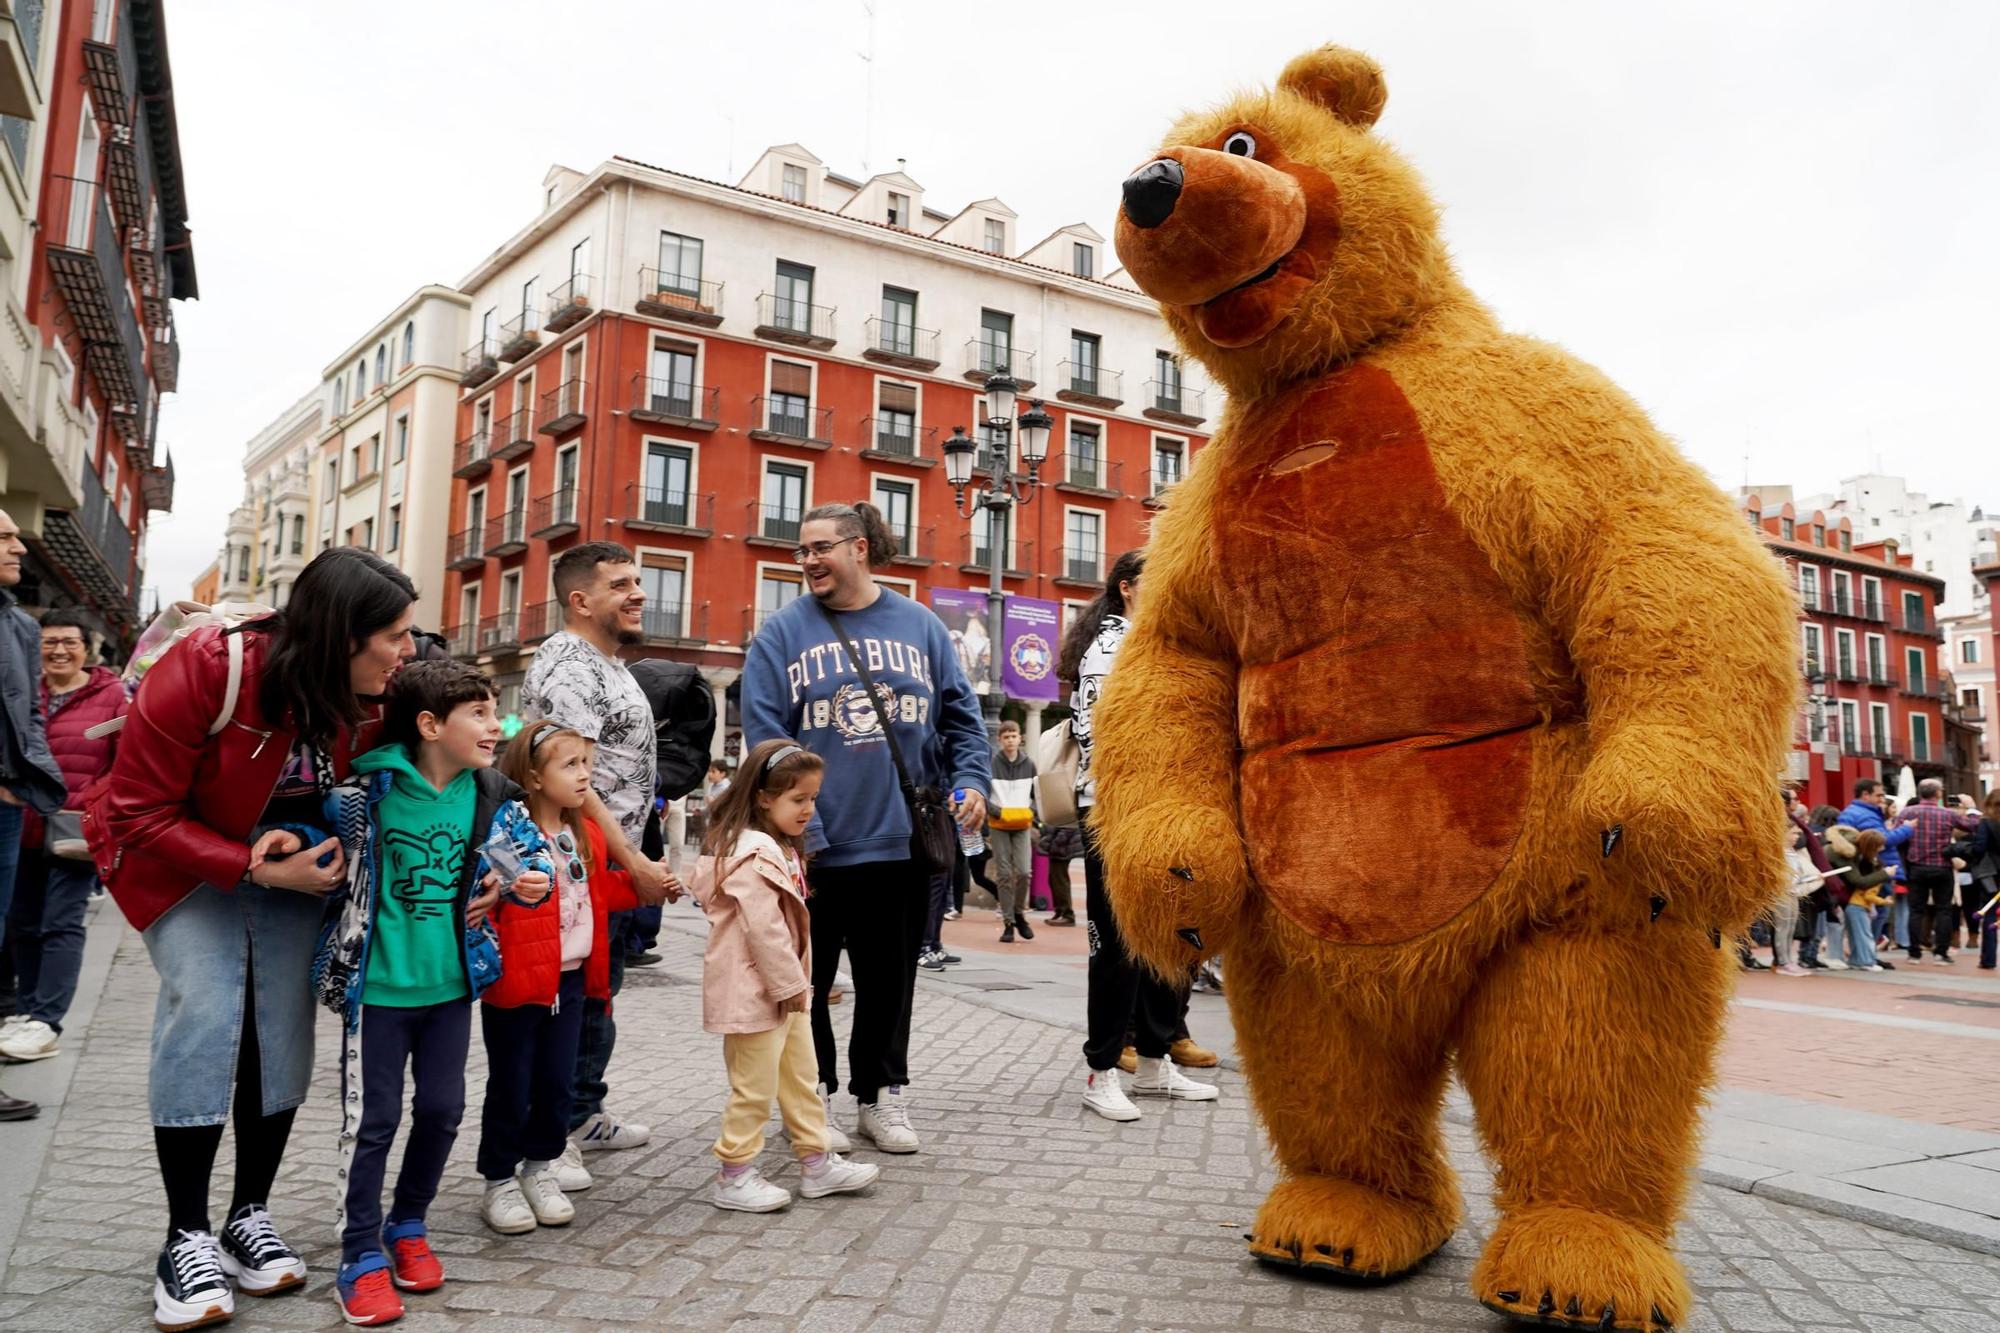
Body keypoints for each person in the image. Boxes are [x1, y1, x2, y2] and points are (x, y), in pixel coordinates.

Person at [91, 547, 414, 1331]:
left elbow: (447, 755)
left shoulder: (372, 693)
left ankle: (247, 1215)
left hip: (291, 864)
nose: (407, 652)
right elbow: (137, 809)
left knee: (279, 1031)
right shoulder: (209, 668)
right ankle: (184, 1237)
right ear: (344, 634)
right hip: (182, 861)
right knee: (207, 1009)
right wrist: (248, 865)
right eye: (396, 636)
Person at [305, 660, 550, 1324]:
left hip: (451, 988)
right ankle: (358, 1253)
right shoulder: (366, 794)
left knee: (443, 1110)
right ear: (430, 724)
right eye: (479, 711)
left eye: (495, 709)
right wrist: (294, 848)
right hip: (378, 991)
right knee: (373, 1121)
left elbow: (532, 855)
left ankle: (406, 1223)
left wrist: (526, 879)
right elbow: (312, 833)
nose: (496, 724)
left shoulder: (492, 793)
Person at [741, 501, 989, 1155]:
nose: (809, 561)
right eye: (801, 550)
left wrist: (973, 783)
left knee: (889, 981)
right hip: (810, 849)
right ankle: (812, 1095)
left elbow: (963, 718)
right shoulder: (780, 635)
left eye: (820, 547)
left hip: (899, 840)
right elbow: (765, 737)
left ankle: (881, 1095)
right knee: (807, 985)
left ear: (859, 548)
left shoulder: (922, 626)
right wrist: (801, 824)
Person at [522, 542, 678, 1177]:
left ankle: (582, 1113)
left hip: (603, 865)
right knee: (563, 1002)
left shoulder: (608, 664)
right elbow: (573, 780)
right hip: (574, 863)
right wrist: (633, 860)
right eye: (621, 584)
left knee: (596, 998)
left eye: (638, 580)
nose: (638, 593)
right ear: (580, 600)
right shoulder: (567, 670)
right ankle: (548, 1135)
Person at [691, 737, 880, 1210]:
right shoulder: (755, 855)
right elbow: (766, 930)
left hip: (784, 992)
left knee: (802, 1077)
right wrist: (793, 986)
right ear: (763, 797)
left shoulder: (774, 847)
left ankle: (816, 1163)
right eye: (799, 799)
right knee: (754, 1088)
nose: (809, 810)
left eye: (813, 799)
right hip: (758, 992)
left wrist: (796, 988)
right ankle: (733, 1173)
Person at [1063, 551, 1217, 1121]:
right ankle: (1101, 1071)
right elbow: (1096, 736)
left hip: (1161, 811)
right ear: (1128, 589)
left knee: (1164, 938)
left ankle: (1154, 1061)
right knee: (1118, 942)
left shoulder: (1163, 645)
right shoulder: (1110, 648)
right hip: (1114, 811)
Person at [479, 719, 637, 1235]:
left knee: (555, 1084)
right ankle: (499, 1179)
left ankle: (540, 1168)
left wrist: (647, 888)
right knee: (512, 1083)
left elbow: (599, 894)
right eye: (571, 765)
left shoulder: (583, 832)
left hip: (570, 981)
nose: (585, 776)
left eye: (588, 764)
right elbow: (491, 896)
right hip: (519, 984)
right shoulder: (508, 833)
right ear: (534, 776)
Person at [0, 611, 125, 1063]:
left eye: (69, 642)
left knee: (61, 923)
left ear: (87, 648)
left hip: (77, 830)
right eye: (49, 642)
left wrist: (94, 804)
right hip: (22, 826)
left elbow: (124, 765)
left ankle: (47, 1022)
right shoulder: (21, 693)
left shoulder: (112, 697)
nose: (58, 650)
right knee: (23, 925)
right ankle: (28, 1011)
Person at [0, 509, 66, 1123]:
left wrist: (29, 780)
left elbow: (31, 715)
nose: (20, 544)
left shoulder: (20, 626)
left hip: (9, 808)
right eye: (4, 536)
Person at [1892, 779, 1982, 965]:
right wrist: (1971, 807)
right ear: (1938, 794)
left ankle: (1914, 953)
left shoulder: (1907, 812)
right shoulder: (1947, 814)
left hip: (1916, 867)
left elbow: (1896, 835)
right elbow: (1973, 826)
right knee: (1944, 910)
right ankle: (1941, 953)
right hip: (1942, 867)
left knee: (1916, 910)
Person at [1838, 779, 1913, 952]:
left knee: (1876, 913)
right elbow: (1882, 841)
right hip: (1876, 868)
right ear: (1865, 794)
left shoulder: (1859, 812)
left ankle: (1865, 951)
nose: (1882, 799)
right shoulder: (1865, 815)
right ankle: (1866, 952)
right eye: (1878, 795)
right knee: (1879, 912)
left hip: (1871, 867)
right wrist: (1907, 829)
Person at [989, 720, 1038, 943]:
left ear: (1020, 738)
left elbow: (1038, 795)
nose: (1010, 740)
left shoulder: (1029, 764)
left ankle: (1019, 913)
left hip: (1022, 824)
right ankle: (1008, 922)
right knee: (1004, 874)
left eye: (1013, 735)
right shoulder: (991, 763)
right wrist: (997, 812)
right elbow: (982, 793)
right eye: (1006, 736)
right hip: (999, 824)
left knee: (1024, 871)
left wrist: (1031, 812)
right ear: (1000, 740)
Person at [1825, 825, 1895, 971]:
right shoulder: (1846, 853)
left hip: (1847, 899)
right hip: (1848, 900)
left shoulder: (1851, 852)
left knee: (1849, 929)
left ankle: (1854, 959)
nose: (1881, 850)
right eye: (1878, 848)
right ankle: (1859, 960)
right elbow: (1860, 882)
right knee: (1859, 933)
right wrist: (1885, 874)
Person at [1040, 821, 1082, 927]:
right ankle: (1060, 910)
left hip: (1061, 847)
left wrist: (1056, 842)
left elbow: (1068, 826)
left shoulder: (1062, 808)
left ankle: (1067, 914)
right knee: (1053, 879)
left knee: (1059, 880)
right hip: (1058, 844)